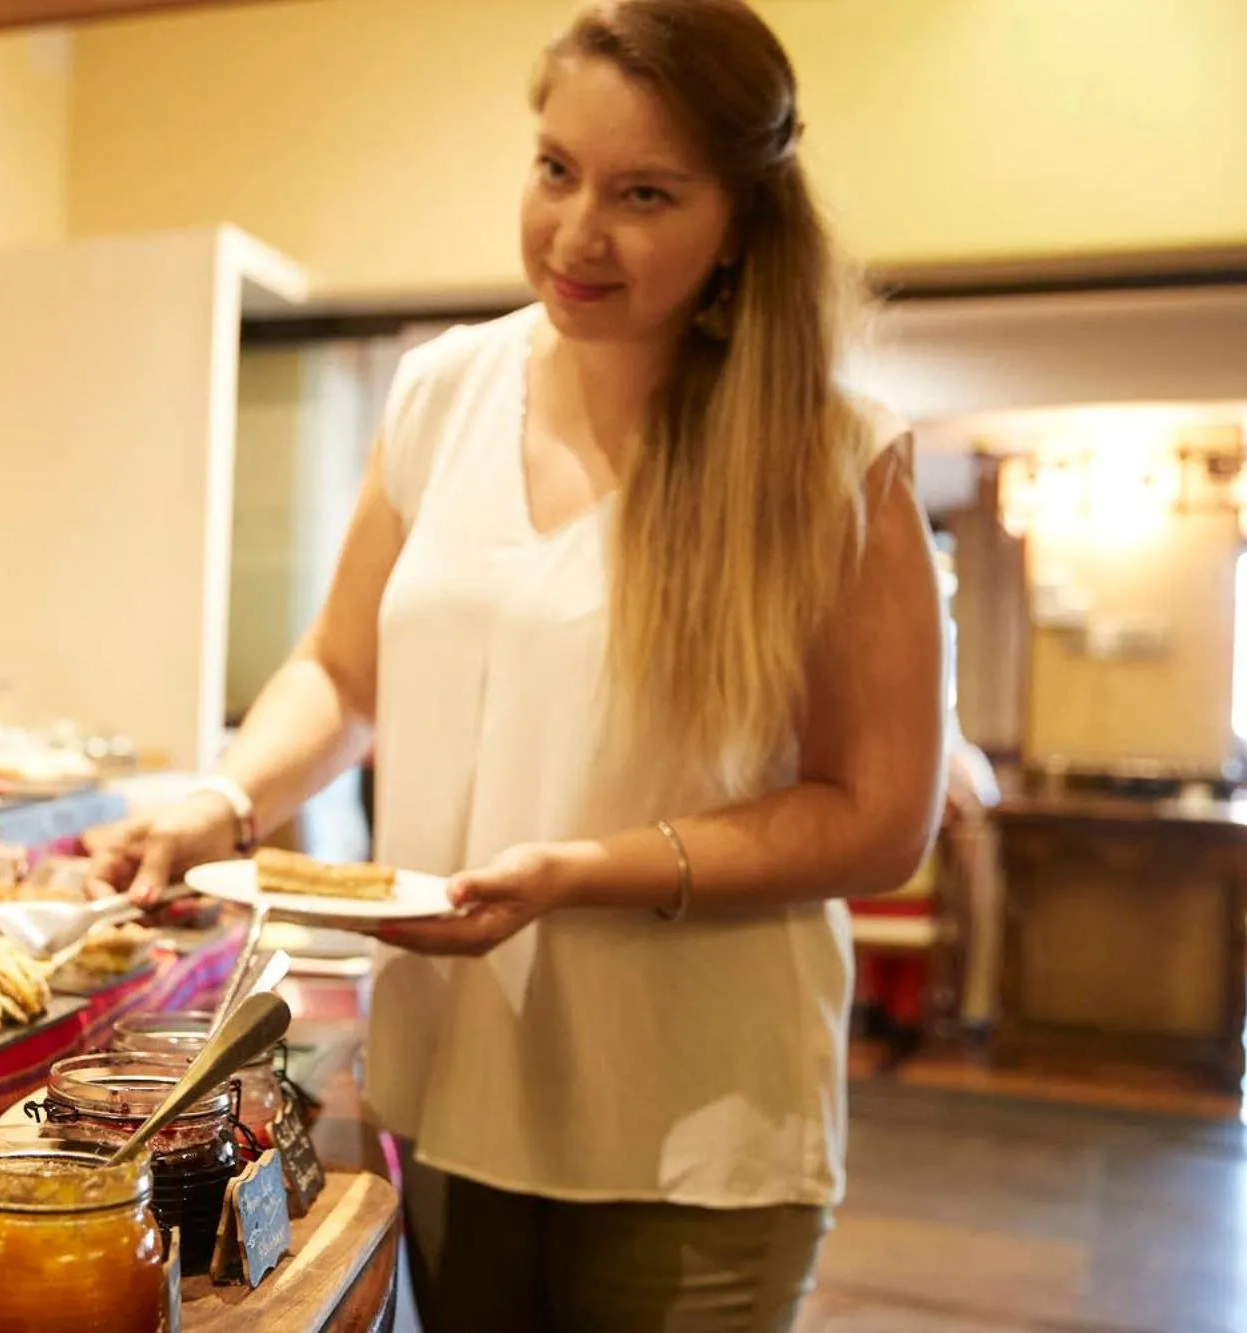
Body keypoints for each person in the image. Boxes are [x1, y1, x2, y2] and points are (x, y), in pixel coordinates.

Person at [86, 1, 945, 1328]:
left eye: (644, 194)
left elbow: (881, 817)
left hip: (697, 1124)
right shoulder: (446, 390)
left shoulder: (835, 458)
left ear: (740, 221)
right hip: (451, 1083)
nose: (576, 234)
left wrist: (580, 873)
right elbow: (343, 674)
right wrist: (228, 798)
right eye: (556, 170)